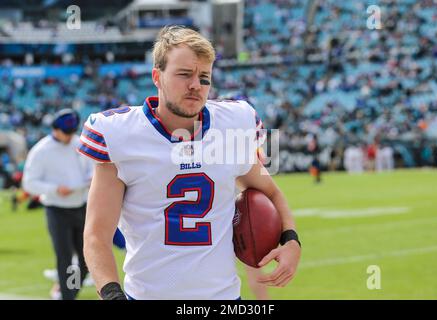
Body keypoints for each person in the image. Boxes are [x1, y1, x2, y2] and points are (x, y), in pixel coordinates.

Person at [79, 26, 301, 300]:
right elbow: (97, 235)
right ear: (157, 77)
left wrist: (291, 240)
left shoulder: (232, 124)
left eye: (204, 77)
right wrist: (112, 294)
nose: (196, 85)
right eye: (184, 74)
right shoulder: (120, 134)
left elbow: (271, 192)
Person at [22, 109, 93, 300]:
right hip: (57, 209)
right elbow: (29, 183)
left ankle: (66, 292)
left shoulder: (79, 143)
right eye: (65, 132)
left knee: (86, 260)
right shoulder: (41, 151)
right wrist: (55, 189)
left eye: (71, 132)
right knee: (65, 259)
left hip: (81, 206)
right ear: (55, 129)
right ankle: (68, 296)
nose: (69, 137)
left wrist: (89, 180)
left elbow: (91, 169)